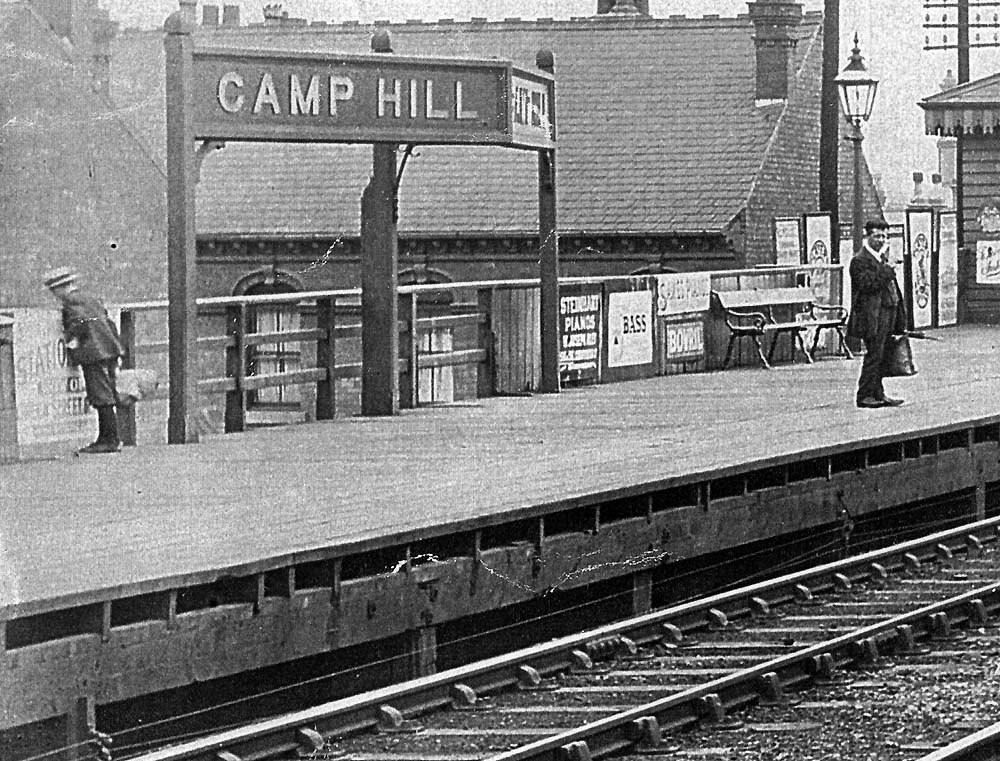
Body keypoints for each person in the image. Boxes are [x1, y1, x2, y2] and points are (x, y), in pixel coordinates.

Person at [44, 267, 123, 453]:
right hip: (108, 348)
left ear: (61, 288)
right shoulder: (89, 297)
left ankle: (109, 440)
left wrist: (70, 338)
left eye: (54, 291)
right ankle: (108, 438)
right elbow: (106, 320)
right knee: (106, 392)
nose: (55, 296)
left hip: (93, 351)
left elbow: (79, 322)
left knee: (100, 394)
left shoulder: (71, 302)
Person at [846, 220, 908, 409]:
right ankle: (864, 394)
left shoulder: (880, 258)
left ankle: (878, 393)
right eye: (877, 236)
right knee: (874, 354)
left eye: (884, 236)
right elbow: (868, 284)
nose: (881, 240)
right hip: (872, 316)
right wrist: (888, 269)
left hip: (887, 312)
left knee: (882, 353)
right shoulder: (860, 260)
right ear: (868, 236)